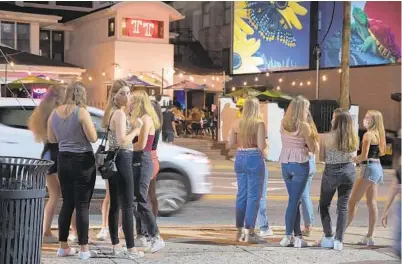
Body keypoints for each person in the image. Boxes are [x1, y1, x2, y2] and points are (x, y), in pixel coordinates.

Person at [48, 82, 98, 259]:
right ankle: (84, 249)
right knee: (82, 204)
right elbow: (93, 138)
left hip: (63, 159)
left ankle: (63, 247)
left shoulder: (55, 113)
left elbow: (51, 138)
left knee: (67, 202)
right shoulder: (81, 112)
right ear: (82, 95)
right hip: (82, 160)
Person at [102, 80, 144, 259]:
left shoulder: (114, 113)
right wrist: (136, 129)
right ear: (114, 95)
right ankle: (131, 248)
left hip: (113, 158)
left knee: (115, 204)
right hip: (122, 158)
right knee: (127, 204)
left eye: (128, 92)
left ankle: (115, 244)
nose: (127, 96)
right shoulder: (118, 114)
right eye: (123, 93)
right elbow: (122, 141)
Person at [28, 85, 66, 243]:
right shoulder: (57, 113)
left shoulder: (42, 111)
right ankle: (72, 232)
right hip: (57, 155)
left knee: (54, 196)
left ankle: (46, 231)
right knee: (65, 196)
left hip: (47, 154)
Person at [278, 95, 318, 248]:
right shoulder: (304, 126)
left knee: (296, 200)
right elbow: (313, 149)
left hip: (285, 164)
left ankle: (298, 237)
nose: (308, 111)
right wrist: (305, 146)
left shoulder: (283, 123)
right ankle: (288, 236)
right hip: (300, 164)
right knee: (294, 201)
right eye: (306, 108)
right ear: (302, 109)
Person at [227, 97, 267, 243]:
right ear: (256, 108)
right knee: (254, 197)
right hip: (254, 157)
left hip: (240, 156)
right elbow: (262, 147)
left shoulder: (236, 123)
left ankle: (239, 232)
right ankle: (250, 231)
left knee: (241, 195)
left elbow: (230, 143)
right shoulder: (259, 124)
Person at [318, 111, 359, 250]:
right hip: (348, 171)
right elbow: (354, 155)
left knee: (324, 205)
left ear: (336, 121)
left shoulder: (327, 137)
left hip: (331, 172)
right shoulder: (353, 137)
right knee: (342, 206)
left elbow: (321, 158)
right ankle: (339, 240)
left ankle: (328, 236)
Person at [130, 90, 165, 253]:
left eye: (132, 101)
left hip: (143, 160)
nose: (130, 103)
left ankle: (155, 236)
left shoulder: (145, 119)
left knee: (142, 200)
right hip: (139, 160)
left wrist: (126, 146)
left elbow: (142, 145)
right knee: (138, 199)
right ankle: (146, 235)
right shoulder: (140, 119)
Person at [347, 110, 386, 246]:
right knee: (371, 203)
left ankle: (340, 232)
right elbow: (382, 152)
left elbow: (363, 156)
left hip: (368, 168)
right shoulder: (379, 134)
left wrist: (353, 158)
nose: (365, 119)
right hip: (377, 168)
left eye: (368, 117)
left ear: (373, 120)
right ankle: (370, 236)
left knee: (353, 202)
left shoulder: (368, 135)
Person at [300, 113, 319, 237]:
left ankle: (308, 225)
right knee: (305, 194)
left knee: (304, 195)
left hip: (306, 162)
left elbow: (314, 148)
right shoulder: (312, 129)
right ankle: (309, 223)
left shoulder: (304, 128)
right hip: (311, 163)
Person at [150, 100, 163, 216]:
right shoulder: (157, 124)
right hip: (154, 158)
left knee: (144, 197)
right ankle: (152, 225)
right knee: (152, 195)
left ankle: (148, 227)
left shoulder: (151, 125)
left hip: (148, 159)